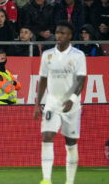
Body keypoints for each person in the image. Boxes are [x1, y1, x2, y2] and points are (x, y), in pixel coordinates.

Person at [34, 21, 87, 184]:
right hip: (52, 103)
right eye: (57, 32)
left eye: (63, 33)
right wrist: (38, 103)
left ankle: (69, 181)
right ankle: (46, 179)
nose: (59, 36)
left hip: (71, 105)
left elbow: (81, 79)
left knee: (70, 142)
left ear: (70, 36)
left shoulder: (78, 55)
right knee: (47, 136)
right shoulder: (47, 55)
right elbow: (43, 78)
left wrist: (72, 99)